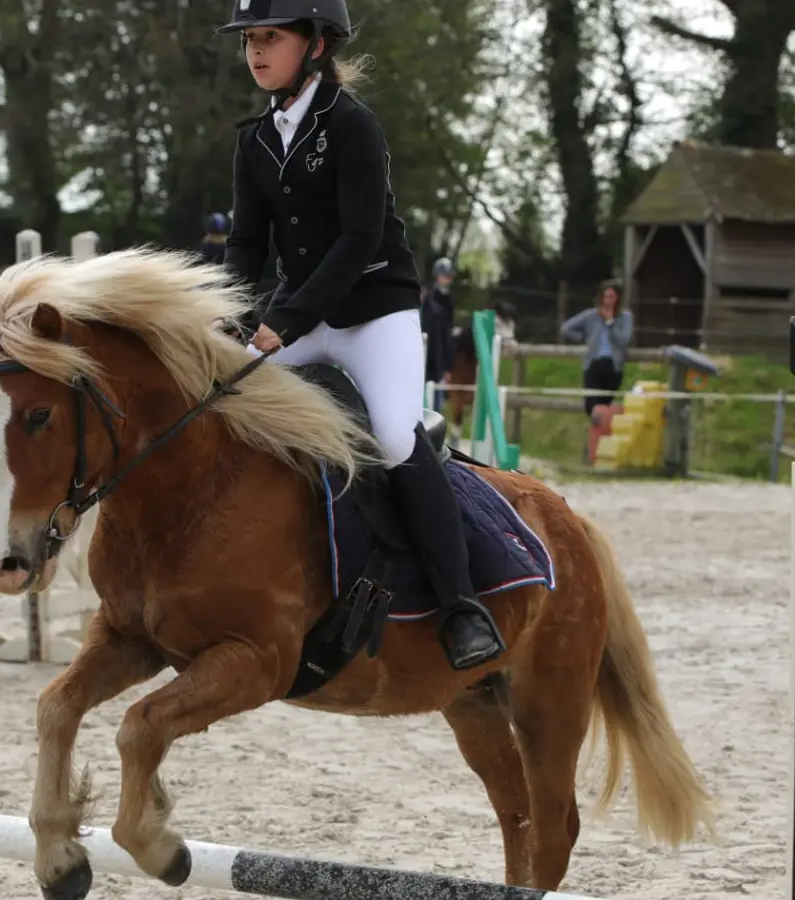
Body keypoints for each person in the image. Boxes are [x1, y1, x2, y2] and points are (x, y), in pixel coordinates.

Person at [217, 0, 504, 671]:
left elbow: (358, 239)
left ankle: (461, 606)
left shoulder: (352, 126)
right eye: (249, 41)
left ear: (315, 45)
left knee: (398, 438)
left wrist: (279, 323)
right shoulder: (255, 140)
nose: (255, 51)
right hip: (301, 315)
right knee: (226, 408)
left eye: (270, 38)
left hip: (376, 312)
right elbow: (247, 241)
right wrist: (229, 314)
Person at [560, 280, 634, 417]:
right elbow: (566, 328)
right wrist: (582, 338)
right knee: (591, 405)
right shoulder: (591, 315)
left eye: (611, 297)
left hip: (613, 365)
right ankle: (596, 432)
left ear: (618, 298)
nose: (608, 301)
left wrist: (611, 323)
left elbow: (624, 340)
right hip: (594, 363)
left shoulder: (625, 317)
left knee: (604, 406)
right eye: (605, 296)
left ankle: (601, 435)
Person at [419, 257, 455, 410]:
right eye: (444, 276)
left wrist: (446, 366)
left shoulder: (450, 300)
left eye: (449, 276)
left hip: (440, 348)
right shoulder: (429, 300)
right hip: (428, 350)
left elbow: (448, 331)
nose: (447, 279)